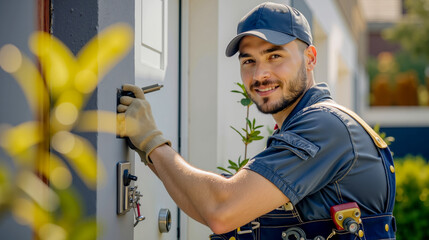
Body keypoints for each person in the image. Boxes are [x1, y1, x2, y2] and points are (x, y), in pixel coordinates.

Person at [117, 2, 396, 239]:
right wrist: (147, 148)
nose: (260, 74)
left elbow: (221, 210)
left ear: (310, 59)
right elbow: (211, 206)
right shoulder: (305, 126)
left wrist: (152, 140)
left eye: (275, 56)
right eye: (248, 61)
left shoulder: (324, 126)